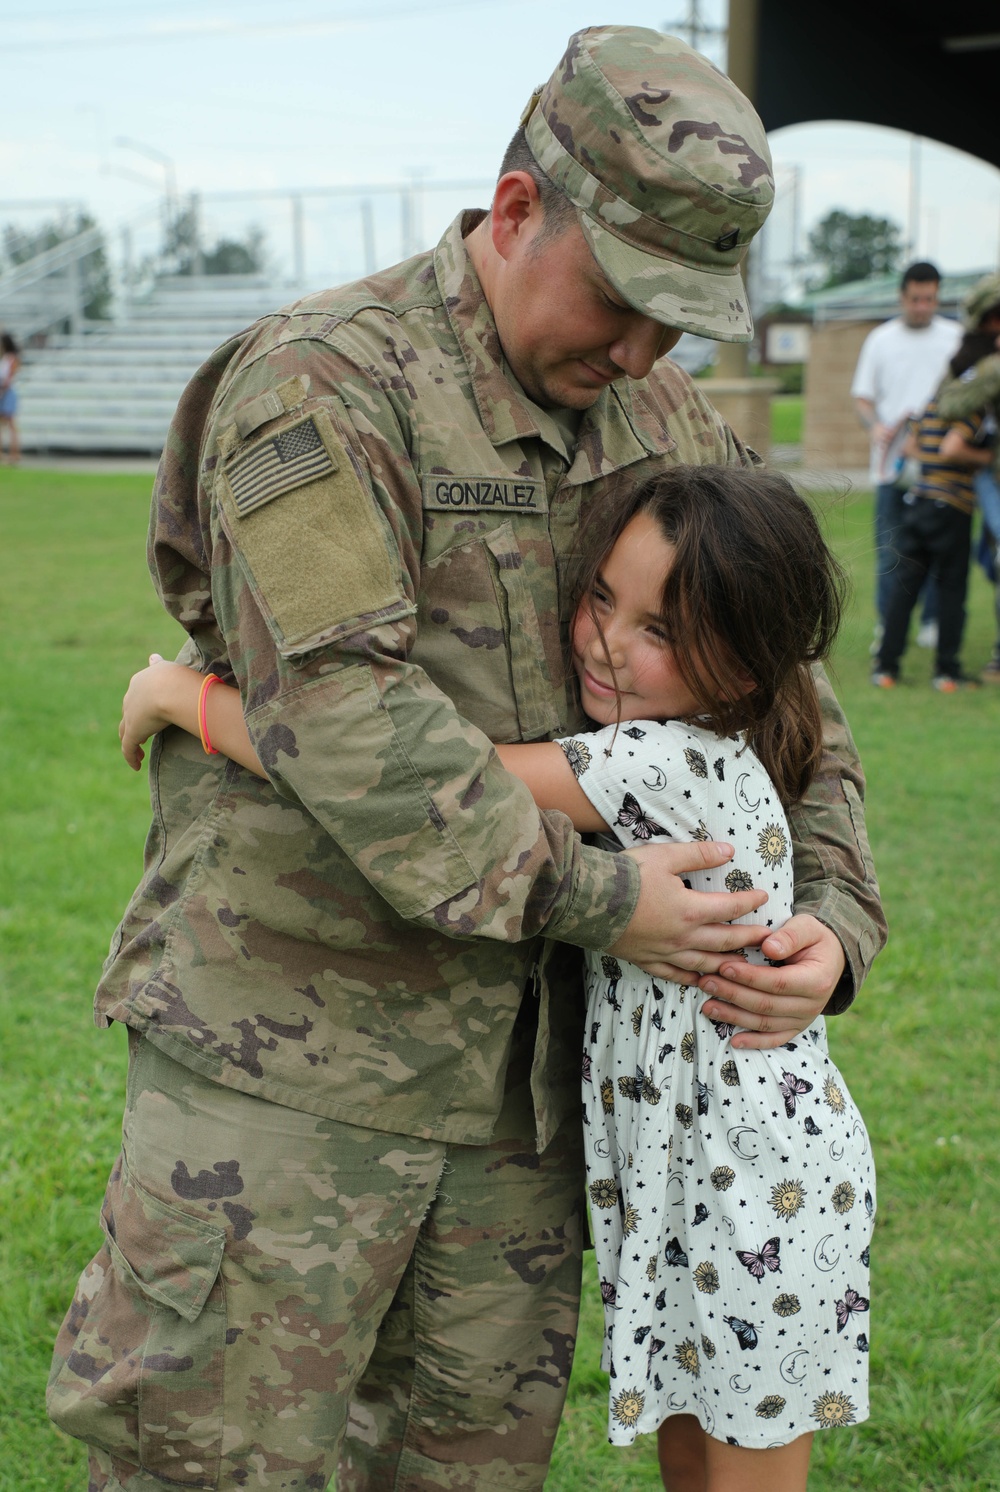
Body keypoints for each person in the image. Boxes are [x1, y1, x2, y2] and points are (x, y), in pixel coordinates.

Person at [48, 27, 885, 1492]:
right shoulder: (321, 387)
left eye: (678, 322)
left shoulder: (664, 417)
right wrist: (605, 899)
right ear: (514, 215)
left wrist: (835, 925)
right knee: (216, 1465)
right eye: (625, 299)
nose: (641, 351)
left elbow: (786, 697)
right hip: (291, 1067)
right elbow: (346, 719)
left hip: (528, 1096)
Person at [119, 464, 876, 1492]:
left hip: (752, 1189)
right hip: (706, 1176)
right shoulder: (698, 736)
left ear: (744, 667)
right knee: (695, 1454)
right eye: (602, 597)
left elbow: (424, 779)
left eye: (660, 630)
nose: (608, 641)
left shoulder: (662, 761)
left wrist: (183, 696)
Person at [871, 324, 994, 691]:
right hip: (951, 505)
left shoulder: (932, 402)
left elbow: (912, 448)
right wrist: (988, 456)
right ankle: (946, 672)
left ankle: (886, 668)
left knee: (905, 588)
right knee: (952, 589)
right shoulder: (969, 408)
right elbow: (952, 448)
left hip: (919, 500)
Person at [851, 262, 961, 651]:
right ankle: (888, 626)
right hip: (891, 470)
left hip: (939, 470)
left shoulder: (954, 337)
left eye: (929, 299)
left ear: (937, 297)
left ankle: (932, 622)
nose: (921, 306)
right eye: (915, 299)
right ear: (903, 297)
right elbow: (863, 398)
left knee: (939, 550)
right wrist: (875, 427)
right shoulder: (881, 340)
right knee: (891, 552)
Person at [936, 272, 1000, 683]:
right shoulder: (980, 359)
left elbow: (948, 402)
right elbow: (948, 401)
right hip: (988, 479)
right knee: (991, 562)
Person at [0, 331, 21, 463]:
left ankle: (14, 454)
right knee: (5, 425)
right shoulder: (5, 357)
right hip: (4, 391)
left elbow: (9, 376)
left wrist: (3, 390)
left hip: (7, 392)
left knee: (11, 424)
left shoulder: (11, 358)